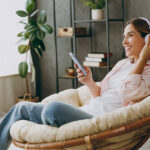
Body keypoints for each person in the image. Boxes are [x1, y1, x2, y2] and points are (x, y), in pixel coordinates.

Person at [1, 17, 150, 150]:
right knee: (21, 108)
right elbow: (101, 95)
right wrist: (89, 82)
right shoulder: (122, 64)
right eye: (124, 36)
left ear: (147, 39)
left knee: (52, 109)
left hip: (99, 122)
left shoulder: (147, 70)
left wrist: (143, 58)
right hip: (86, 112)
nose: (124, 42)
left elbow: (129, 91)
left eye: (130, 36)